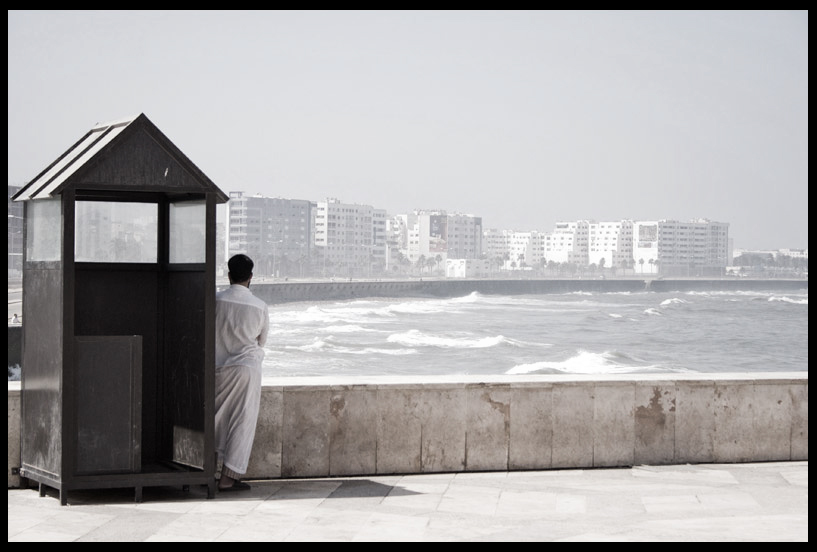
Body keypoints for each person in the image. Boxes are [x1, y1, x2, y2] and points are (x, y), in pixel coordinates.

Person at [214, 254, 269, 491]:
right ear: (251, 277)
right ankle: (228, 478)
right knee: (241, 424)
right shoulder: (259, 306)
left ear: (228, 275)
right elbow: (262, 340)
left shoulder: (215, 301)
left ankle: (204, 469)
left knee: (213, 421)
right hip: (247, 370)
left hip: (217, 369)